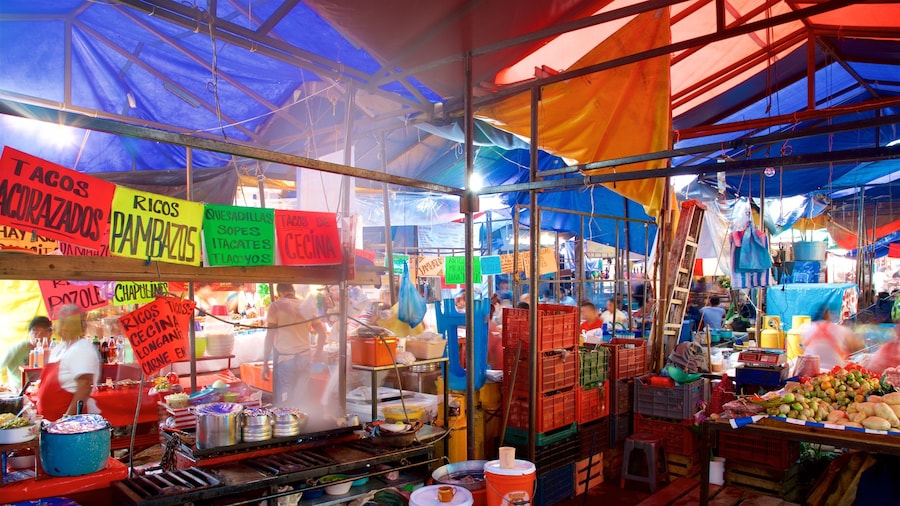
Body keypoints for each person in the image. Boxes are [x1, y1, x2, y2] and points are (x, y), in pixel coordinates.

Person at [262, 284, 329, 408]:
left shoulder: (276, 306)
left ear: (279, 293)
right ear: (293, 291)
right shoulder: (307, 307)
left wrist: (265, 364)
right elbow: (322, 334)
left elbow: (269, 336)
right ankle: (300, 425)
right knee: (300, 400)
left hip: (286, 360)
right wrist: (318, 353)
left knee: (285, 401)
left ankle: (287, 424)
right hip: (305, 358)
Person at [36, 305, 100, 420]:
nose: (61, 326)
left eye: (67, 322)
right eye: (61, 321)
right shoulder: (60, 348)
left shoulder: (82, 348)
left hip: (69, 426)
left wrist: (67, 419)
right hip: (50, 423)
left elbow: (85, 385)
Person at [800, 306, 865, 371]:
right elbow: (859, 346)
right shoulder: (840, 330)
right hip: (834, 372)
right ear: (827, 315)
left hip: (809, 371)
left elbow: (803, 347)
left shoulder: (805, 328)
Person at [1, 316, 51, 391]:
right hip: (20, 391)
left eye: (42, 333)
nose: (38, 336)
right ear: (29, 332)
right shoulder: (18, 349)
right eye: (35, 332)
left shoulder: (53, 348)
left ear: (50, 333)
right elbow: (1, 364)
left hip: (42, 389)